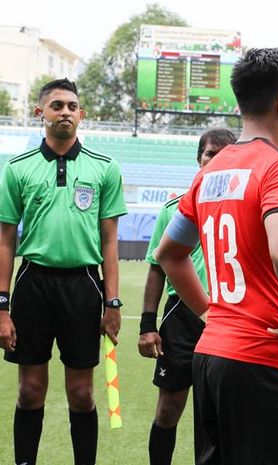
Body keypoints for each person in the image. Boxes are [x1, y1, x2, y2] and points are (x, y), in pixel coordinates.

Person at [154, 48, 278, 465]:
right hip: (268, 361)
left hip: (212, 356)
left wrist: (211, 315)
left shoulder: (210, 171)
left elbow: (169, 255)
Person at [0, 78, 127, 465]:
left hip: (83, 286)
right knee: (30, 391)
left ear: (81, 114)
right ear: (41, 113)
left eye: (72, 106)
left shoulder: (104, 168)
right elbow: (5, 241)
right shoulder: (17, 169)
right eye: (57, 106)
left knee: (81, 394)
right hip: (33, 284)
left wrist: (113, 302)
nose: (65, 112)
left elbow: (109, 242)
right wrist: (2, 307)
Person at [138, 128, 237, 465]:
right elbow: (157, 266)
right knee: (169, 408)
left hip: (230, 317)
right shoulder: (174, 209)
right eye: (211, 154)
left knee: (227, 413)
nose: (218, 161)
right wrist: (147, 325)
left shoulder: (244, 210)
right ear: (199, 159)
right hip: (181, 318)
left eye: (226, 154)